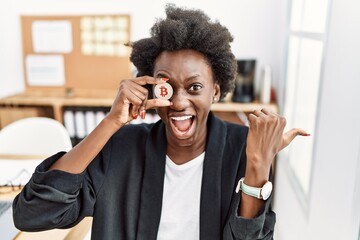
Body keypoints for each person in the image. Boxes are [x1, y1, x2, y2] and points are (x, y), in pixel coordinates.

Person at [12, 4, 308, 240]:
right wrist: (111, 123)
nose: (179, 103)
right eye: (167, 86)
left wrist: (258, 165)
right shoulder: (122, 148)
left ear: (215, 91)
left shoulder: (243, 148)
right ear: (152, 88)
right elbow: (32, 212)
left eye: (194, 87)